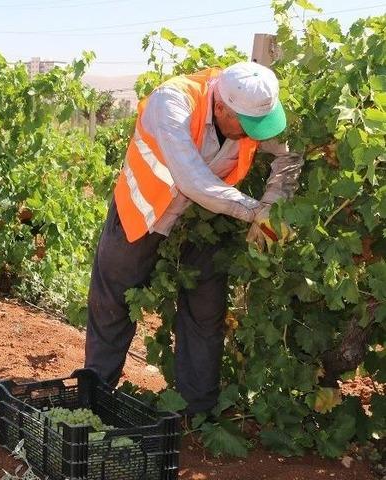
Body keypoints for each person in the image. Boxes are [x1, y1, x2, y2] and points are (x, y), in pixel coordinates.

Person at [84, 62, 303, 415]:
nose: (254, 135)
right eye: (246, 126)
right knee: (113, 304)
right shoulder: (171, 102)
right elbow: (192, 179)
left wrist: (275, 202)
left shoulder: (249, 110)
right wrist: (253, 212)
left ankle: (195, 412)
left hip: (205, 219)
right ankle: (92, 401)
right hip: (143, 211)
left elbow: (288, 156)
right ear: (220, 108)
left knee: (206, 310)